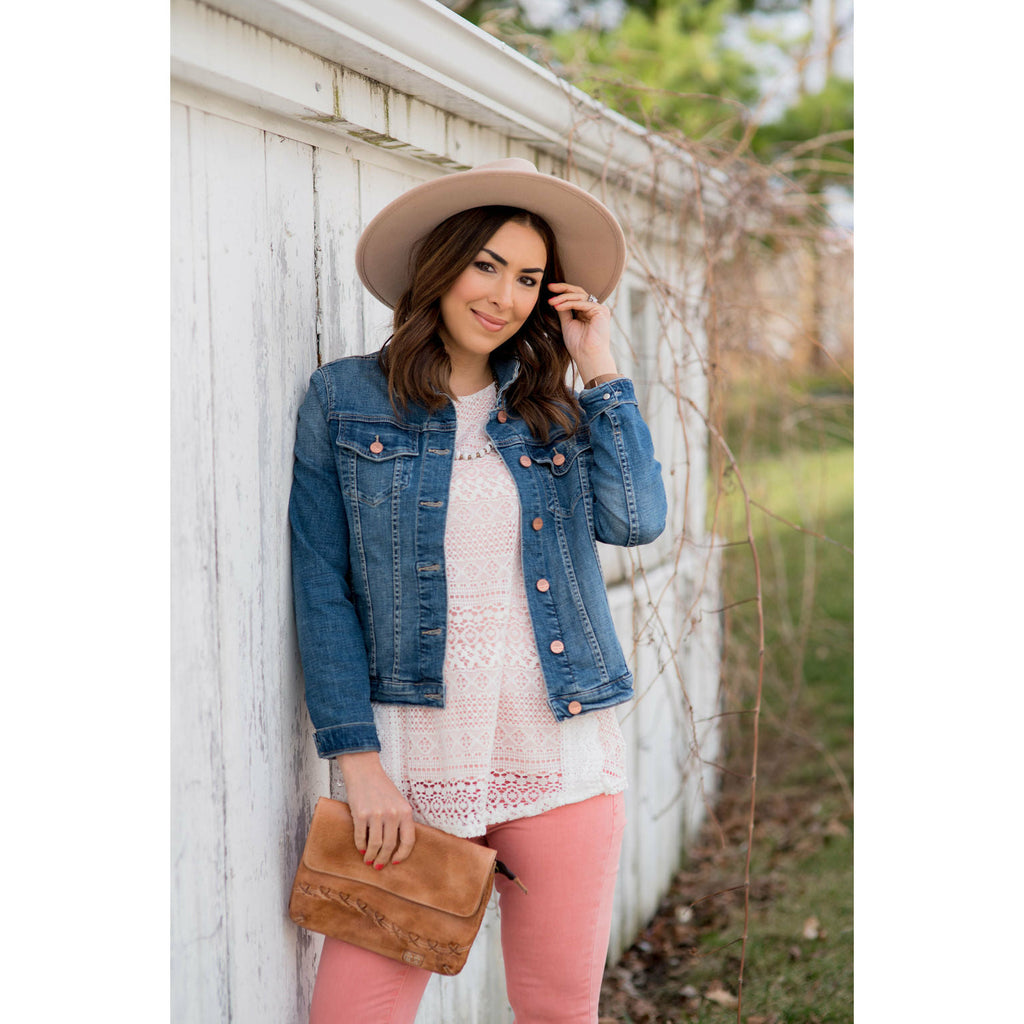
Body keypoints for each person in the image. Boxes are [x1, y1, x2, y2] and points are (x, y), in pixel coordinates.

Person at [288, 158, 667, 1023]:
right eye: (486, 265)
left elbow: (637, 520)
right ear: (440, 265)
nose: (505, 295)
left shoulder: (556, 413)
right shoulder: (346, 401)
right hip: (415, 770)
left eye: (529, 278)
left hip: (561, 755)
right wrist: (362, 768)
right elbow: (322, 588)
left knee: (557, 1011)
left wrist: (601, 370)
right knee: (353, 1013)